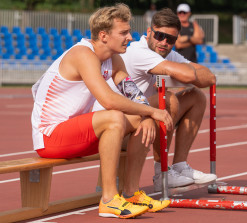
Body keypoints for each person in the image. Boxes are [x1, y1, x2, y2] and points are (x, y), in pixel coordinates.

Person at [31, 4, 172, 219]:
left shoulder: (114, 59)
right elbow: (108, 99)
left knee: (143, 120)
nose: (130, 37)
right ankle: (108, 200)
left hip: (77, 133)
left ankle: (131, 193)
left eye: (129, 32)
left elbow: (131, 92)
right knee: (115, 117)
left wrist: (146, 115)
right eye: (123, 33)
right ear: (104, 35)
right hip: (50, 136)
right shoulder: (82, 54)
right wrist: (151, 111)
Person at [93, 8, 217, 193]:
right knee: (167, 100)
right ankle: (162, 172)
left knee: (196, 97)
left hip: (139, 115)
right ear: (149, 32)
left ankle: (179, 165)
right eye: (160, 36)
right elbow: (190, 74)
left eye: (171, 40)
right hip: (115, 124)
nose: (164, 43)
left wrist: (185, 73)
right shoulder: (138, 51)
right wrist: (186, 73)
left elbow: (210, 77)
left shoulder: (166, 53)